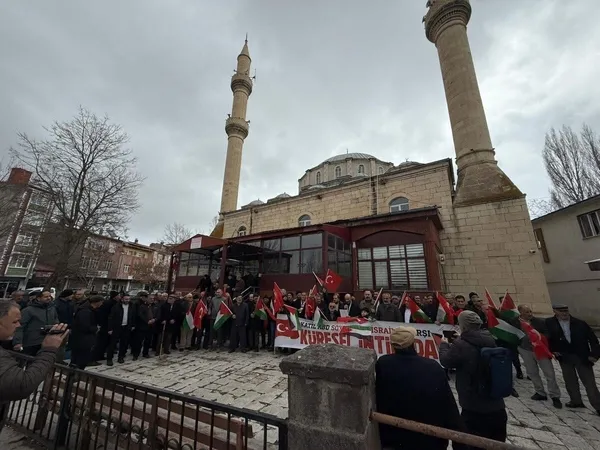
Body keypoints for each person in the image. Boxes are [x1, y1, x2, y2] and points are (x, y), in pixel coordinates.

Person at [376, 326, 467, 450]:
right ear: (413, 343)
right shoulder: (432, 367)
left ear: (392, 345)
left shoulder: (383, 363)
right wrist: (459, 442)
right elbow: (448, 406)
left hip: (394, 438)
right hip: (429, 439)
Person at [0, 300, 69, 433]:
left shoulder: (51, 309)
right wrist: (49, 350)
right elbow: (22, 384)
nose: (18, 325)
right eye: (14, 322)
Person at [439, 310, 507, 444]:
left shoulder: (461, 344)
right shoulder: (489, 338)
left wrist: (444, 345)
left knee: (470, 442)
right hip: (495, 401)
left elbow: (446, 361)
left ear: (462, 325)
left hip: (473, 402)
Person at [546, 304, 600, 413]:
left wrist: (594, 355)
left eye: (566, 311)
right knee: (570, 380)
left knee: (589, 383)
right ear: (555, 311)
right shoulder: (549, 322)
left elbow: (593, 340)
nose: (564, 313)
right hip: (564, 356)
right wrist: (553, 350)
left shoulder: (580, 323)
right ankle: (576, 401)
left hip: (582, 357)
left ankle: (598, 406)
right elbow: (548, 338)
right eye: (561, 311)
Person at [517, 304, 562, 408]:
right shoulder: (515, 322)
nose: (529, 314)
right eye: (526, 312)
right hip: (525, 350)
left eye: (530, 311)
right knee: (532, 372)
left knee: (549, 373)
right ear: (520, 313)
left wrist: (538, 337)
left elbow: (547, 334)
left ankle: (555, 395)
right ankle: (540, 392)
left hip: (540, 349)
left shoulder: (539, 321)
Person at [13, 290, 59, 356]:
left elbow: (56, 320)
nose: (48, 298)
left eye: (49, 296)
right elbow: (19, 326)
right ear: (38, 298)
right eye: (46, 297)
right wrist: (17, 342)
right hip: (30, 343)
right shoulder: (28, 310)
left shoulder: (52, 309)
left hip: (46, 341)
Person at [70, 295, 103, 370]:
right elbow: (84, 326)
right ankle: (75, 373)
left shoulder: (90, 310)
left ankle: (76, 371)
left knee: (80, 359)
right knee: (80, 359)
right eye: (101, 302)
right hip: (82, 339)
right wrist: (96, 329)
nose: (102, 304)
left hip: (84, 339)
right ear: (97, 302)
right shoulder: (85, 311)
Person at [106, 294, 136, 365]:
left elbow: (133, 316)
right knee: (112, 344)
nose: (127, 300)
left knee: (124, 343)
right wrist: (110, 328)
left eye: (128, 299)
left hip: (126, 327)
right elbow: (111, 317)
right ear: (122, 299)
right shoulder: (116, 306)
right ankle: (109, 359)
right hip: (117, 327)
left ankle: (121, 357)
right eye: (126, 299)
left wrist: (133, 325)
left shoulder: (131, 306)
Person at [132, 291, 155, 359]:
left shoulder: (154, 306)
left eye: (153, 299)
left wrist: (154, 319)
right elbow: (140, 315)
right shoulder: (142, 306)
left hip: (151, 326)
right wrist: (147, 321)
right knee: (139, 341)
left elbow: (157, 314)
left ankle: (145, 353)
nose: (152, 300)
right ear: (147, 299)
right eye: (150, 298)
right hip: (142, 326)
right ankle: (136, 354)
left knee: (148, 341)